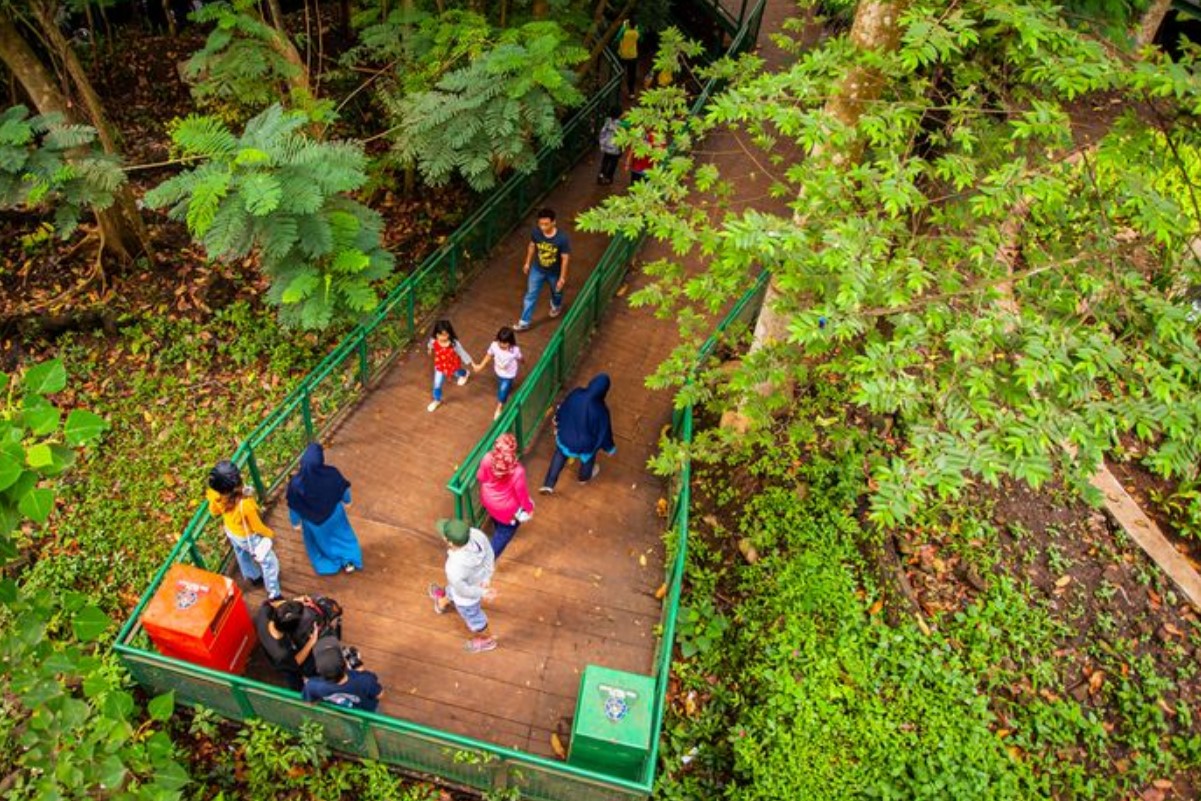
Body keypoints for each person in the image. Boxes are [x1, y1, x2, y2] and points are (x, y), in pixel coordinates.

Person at [206, 460, 282, 600]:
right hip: (248, 537)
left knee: (241, 554)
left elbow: (214, 512)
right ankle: (274, 593)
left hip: (231, 531)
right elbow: (257, 527)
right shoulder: (246, 505)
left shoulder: (215, 496)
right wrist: (270, 534)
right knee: (269, 563)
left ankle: (253, 576)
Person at [286, 442, 363, 575]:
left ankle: (328, 565)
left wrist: (295, 522)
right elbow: (343, 489)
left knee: (319, 543)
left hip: (313, 522)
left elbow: (294, 505)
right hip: (334, 514)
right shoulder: (331, 474)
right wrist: (347, 501)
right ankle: (349, 560)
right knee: (343, 537)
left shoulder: (296, 484)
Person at [427, 518, 498, 653]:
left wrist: (483, 593)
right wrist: (487, 577)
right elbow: (489, 553)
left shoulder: (454, 567)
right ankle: (441, 603)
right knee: (452, 588)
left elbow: (463, 591)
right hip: (477, 580)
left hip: (466, 598)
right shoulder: (476, 534)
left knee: (475, 618)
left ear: (450, 542)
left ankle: (487, 640)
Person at [540, 373, 617, 494]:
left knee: (559, 455)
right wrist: (610, 448)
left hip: (566, 436)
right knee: (588, 459)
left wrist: (557, 419)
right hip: (585, 445)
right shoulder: (602, 411)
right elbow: (604, 432)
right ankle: (583, 477)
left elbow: (564, 407)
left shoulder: (577, 394)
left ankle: (548, 484)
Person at [476, 433, 534, 559]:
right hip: (507, 509)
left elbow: (480, 477)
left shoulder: (487, 458)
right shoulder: (517, 471)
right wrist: (529, 509)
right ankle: (487, 561)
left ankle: (497, 526)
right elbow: (522, 496)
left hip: (487, 499)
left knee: (497, 519)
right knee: (504, 533)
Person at [515, 208, 570, 332]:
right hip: (538, 269)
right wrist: (527, 263)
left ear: (553, 222)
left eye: (546, 224)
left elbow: (565, 258)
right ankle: (524, 322)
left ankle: (556, 305)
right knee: (530, 295)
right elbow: (532, 246)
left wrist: (562, 277)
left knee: (557, 292)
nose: (543, 227)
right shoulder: (536, 233)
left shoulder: (562, 238)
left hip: (554, 272)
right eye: (541, 224)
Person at [254, 597, 320, 690]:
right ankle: (299, 691)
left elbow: (270, 604)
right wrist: (312, 640)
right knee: (292, 676)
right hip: (283, 663)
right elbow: (295, 662)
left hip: (267, 645)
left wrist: (295, 602)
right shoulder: (281, 652)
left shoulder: (264, 612)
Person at [302, 649, 384, 712]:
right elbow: (380, 694)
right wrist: (359, 670)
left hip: (344, 714)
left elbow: (309, 703)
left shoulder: (313, 685)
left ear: (320, 671)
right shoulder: (365, 680)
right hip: (367, 712)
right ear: (345, 665)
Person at [473, 326, 524, 420]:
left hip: (509, 374)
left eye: (505, 343)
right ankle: (506, 389)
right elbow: (489, 355)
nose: (502, 345)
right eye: (500, 342)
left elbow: (519, 357)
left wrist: (522, 360)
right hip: (498, 371)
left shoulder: (514, 350)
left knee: (503, 391)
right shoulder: (494, 345)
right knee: (503, 384)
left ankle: (499, 407)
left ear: (510, 342)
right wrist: (481, 366)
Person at [427, 319, 474, 412]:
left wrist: (472, 363)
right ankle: (437, 400)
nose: (442, 337)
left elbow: (463, 353)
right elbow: (430, 344)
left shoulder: (454, 344)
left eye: (445, 335)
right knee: (437, 384)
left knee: (457, 373)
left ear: (449, 334)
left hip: (452, 365)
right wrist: (429, 349)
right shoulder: (434, 340)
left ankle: (465, 374)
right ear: (436, 334)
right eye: (439, 334)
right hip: (439, 366)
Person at [598, 106, 624, 185]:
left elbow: (602, 132)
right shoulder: (620, 125)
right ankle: (609, 177)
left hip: (606, 146)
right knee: (613, 163)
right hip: (615, 148)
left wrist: (602, 143)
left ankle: (601, 174)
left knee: (605, 160)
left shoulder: (607, 121)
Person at [616, 18, 640, 95]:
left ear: (628, 25)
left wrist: (623, 26)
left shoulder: (624, 32)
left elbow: (617, 38)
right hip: (633, 56)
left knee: (619, 72)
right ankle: (631, 92)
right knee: (631, 74)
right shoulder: (636, 33)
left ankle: (617, 89)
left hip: (623, 55)